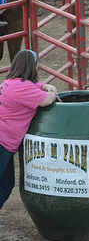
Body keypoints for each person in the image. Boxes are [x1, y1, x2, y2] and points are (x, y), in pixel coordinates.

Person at [0, 49, 58, 210]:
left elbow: (34, 87)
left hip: (4, 142)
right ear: (33, 67)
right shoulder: (23, 88)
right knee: (4, 184)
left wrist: (44, 85)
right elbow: (46, 101)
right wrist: (52, 92)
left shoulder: (11, 83)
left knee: (6, 183)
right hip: (3, 143)